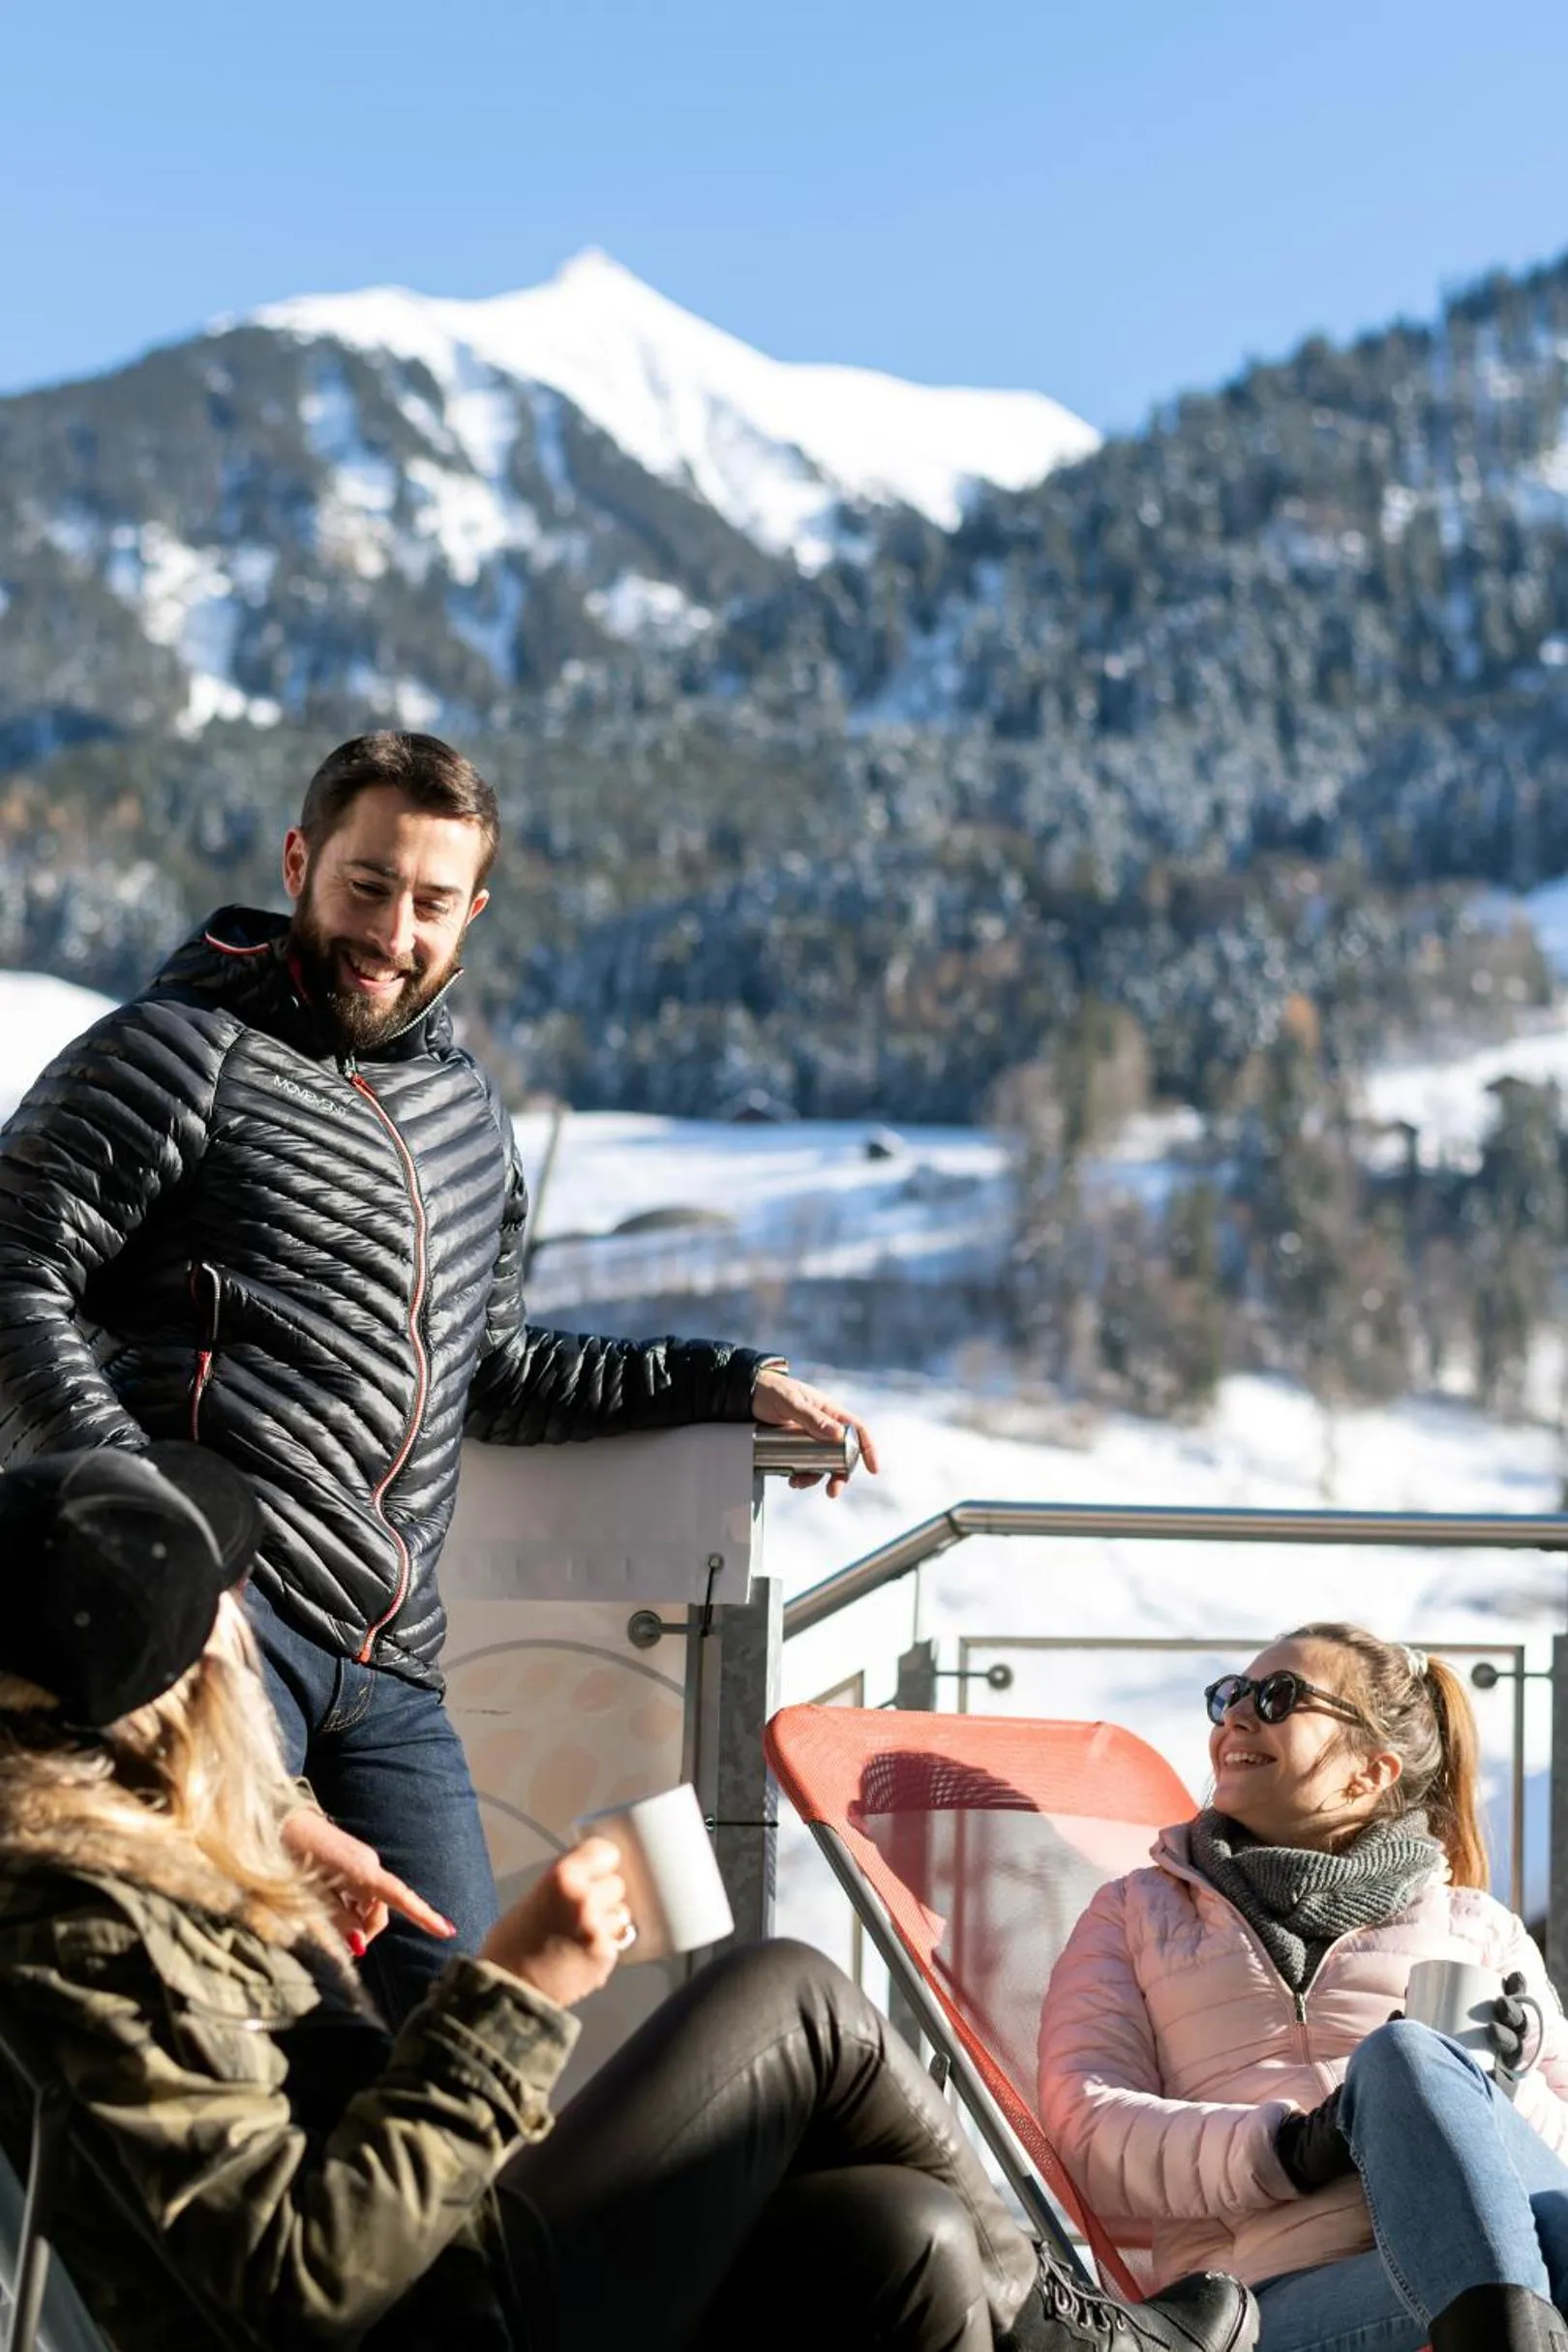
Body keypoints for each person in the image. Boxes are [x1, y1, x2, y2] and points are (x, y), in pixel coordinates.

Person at [0, 1443, 1261, 2352]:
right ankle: (1107, 2349)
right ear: (186, 1682)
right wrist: (513, 1991)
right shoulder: (88, 1934)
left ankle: (1080, 2337)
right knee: (794, 1994)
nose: (249, 1616)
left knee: (910, 2235)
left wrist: (269, 1836)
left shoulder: (112, 1846)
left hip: (450, 2264)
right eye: (228, 1603)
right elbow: (297, 2288)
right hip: (439, 2310)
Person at [0, 729, 878, 2021]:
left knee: (469, 2030)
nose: (390, 930)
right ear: (302, 862)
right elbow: (14, 1266)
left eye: (427, 901)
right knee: (256, 2028)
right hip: (221, 1642)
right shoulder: (171, 1052)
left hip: (394, 1672)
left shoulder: (467, 1115)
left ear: (472, 909)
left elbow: (494, 1366)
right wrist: (142, 1544)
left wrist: (723, 1383)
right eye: (365, 884)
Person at [1037, 1620, 1568, 2352]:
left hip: (1505, 2264)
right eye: (1232, 1695)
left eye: (1280, 1697)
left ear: (1369, 1772)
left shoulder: (1478, 1926)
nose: (1237, 1715)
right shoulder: (1136, 1914)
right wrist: (1285, 2149)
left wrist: (1501, 2088)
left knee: (1413, 2062)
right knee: (1401, 2055)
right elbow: (1087, 2130)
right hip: (1271, 2300)